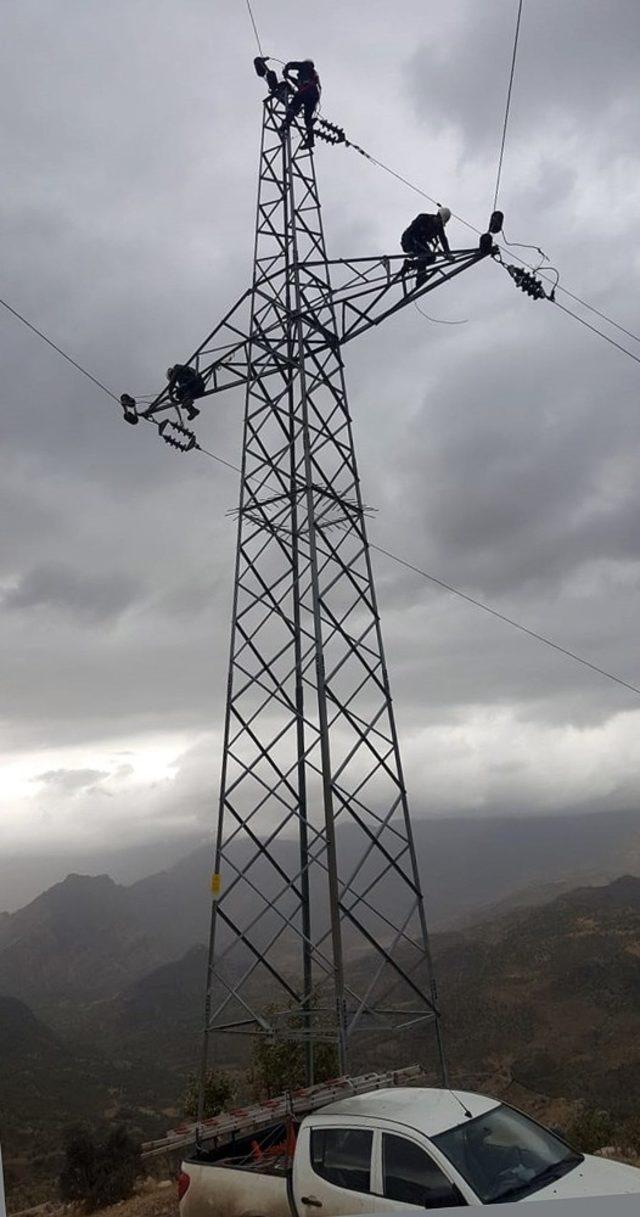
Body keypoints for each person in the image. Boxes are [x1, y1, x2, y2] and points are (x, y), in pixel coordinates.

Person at [401, 206, 453, 288]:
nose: (439, 224)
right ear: (437, 216)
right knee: (424, 255)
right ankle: (420, 278)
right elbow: (410, 232)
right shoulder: (423, 218)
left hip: (420, 242)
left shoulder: (439, 228)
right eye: (439, 221)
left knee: (431, 258)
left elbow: (443, 239)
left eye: (441, 223)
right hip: (409, 240)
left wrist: (448, 253)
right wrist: (411, 249)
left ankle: (409, 264)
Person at [280, 60, 321, 148]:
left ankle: (286, 123)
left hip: (306, 91)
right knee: (307, 119)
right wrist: (289, 77)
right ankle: (310, 140)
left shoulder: (304, 66)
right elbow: (298, 84)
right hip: (313, 96)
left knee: (293, 105)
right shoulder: (311, 75)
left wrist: (286, 68)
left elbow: (293, 64)